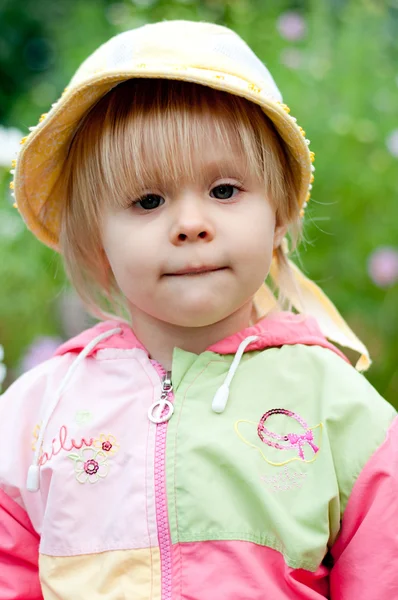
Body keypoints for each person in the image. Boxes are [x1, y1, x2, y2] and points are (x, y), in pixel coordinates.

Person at [1, 20, 397, 600]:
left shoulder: (334, 406)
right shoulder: (35, 418)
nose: (190, 224)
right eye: (148, 200)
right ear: (95, 243)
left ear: (280, 212)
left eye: (225, 191)